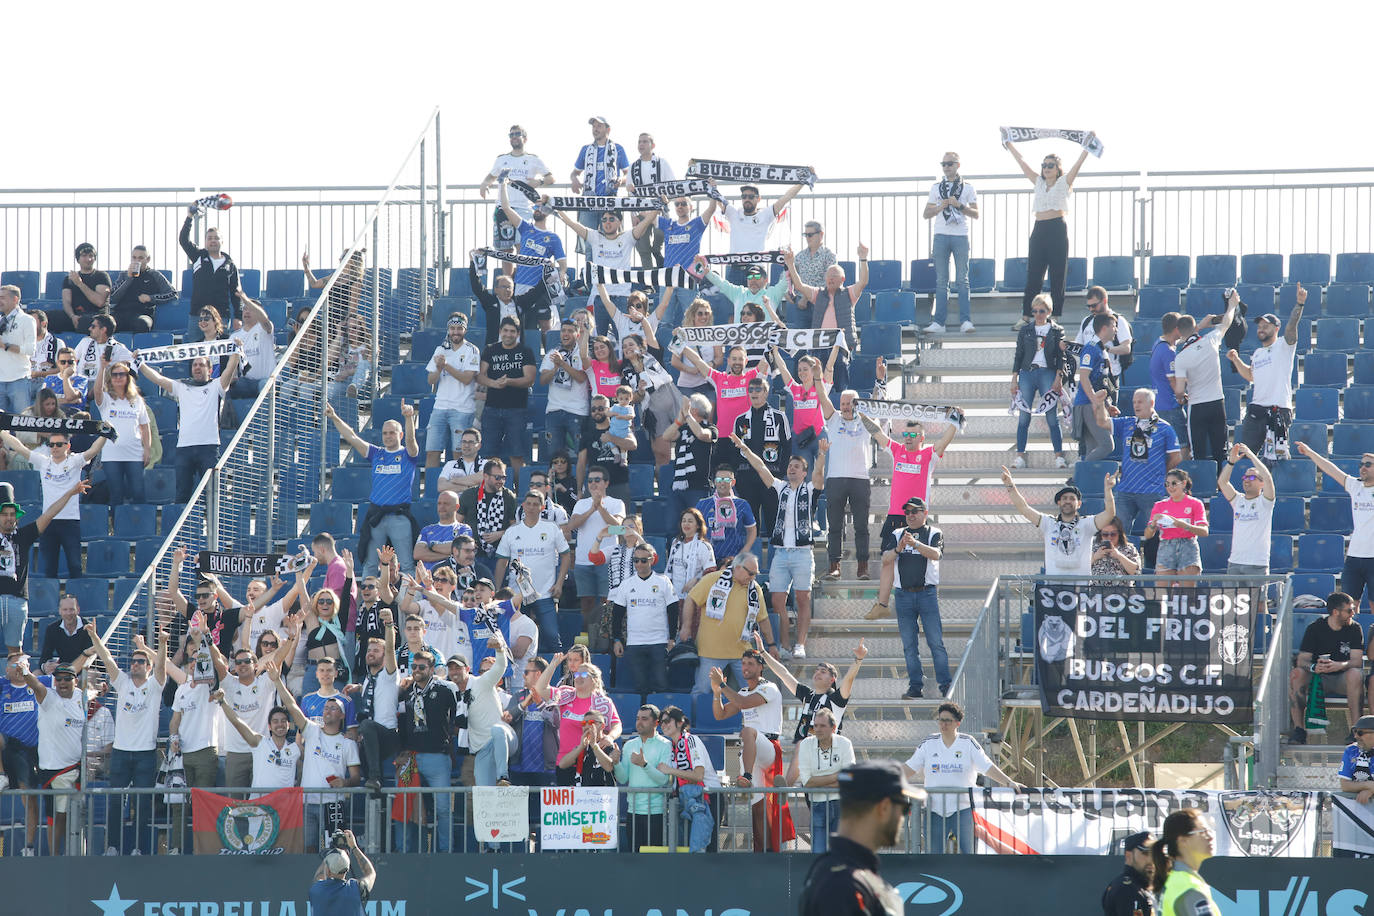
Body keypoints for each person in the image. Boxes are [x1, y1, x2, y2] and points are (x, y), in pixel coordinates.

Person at [861, 415, 958, 618]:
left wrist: (956, 421)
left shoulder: (927, 455)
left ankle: (925, 610)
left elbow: (944, 441)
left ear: (922, 438)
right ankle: (883, 604)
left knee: (922, 562)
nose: (908, 438)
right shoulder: (897, 450)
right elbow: (877, 434)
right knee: (887, 560)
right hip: (895, 515)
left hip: (918, 517)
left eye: (913, 434)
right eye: (905, 434)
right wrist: (864, 415)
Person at [798, 762, 923, 916]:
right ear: (884, 807)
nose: (903, 817)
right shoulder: (843, 885)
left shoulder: (847, 875)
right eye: (904, 808)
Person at [91, 622, 175, 851]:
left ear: (148, 666)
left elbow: (162, 668)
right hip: (120, 752)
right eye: (133, 661)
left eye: (140, 661)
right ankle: (113, 847)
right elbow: (107, 658)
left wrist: (163, 643)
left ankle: (138, 847)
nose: (135, 664)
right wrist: (94, 636)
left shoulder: (156, 685)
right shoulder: (123, 682)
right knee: (116, 802)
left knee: (142, 803)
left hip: (145, 754)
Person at [735, 434, 818, 657]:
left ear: (804, 472)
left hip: (802, 553)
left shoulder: (809, 490)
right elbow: (761, 466)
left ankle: (800, 644)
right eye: (790, 465)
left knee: (803, 598)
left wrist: (824, 453)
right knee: (776, 600)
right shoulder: (780, 487)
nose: (791, 468)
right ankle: (784, 643)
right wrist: (745, 449)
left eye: (797, 466)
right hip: (780, 553)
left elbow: (819, 478)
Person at [902, 701, 1019, 853]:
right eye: (940, 720)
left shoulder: (968, 742)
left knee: (969, 854)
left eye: (947, 721)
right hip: (935, 810)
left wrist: (1009, 782)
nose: (943, 725)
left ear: (958, 723)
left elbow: (987, 767)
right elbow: (909, 767)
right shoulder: (929, 743)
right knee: (933, 856)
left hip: (963, 809)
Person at [1005, 137, 1094, 325]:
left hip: (1056, 229)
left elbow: (1078, 165)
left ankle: (1055, 315)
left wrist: (1086, 147)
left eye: (1051, 165)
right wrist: (1009, 144)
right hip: (1039, 229)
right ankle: (1026, 315)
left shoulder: (1064, 182)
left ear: (1058, 168)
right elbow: (1022, 163)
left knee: (1057, 274)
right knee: (1034, 275)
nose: (1047, 168)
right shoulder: (1038, 182)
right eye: (1044, 165)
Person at [710, 648, 791, 852]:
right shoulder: (743, 692)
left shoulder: (770, 688)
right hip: (752, 751)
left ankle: (744, 776)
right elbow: (720, 715)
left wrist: (723, 684)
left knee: (747, 731)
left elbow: (744, 704)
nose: (745, 667)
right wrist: (716, 692)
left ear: (761, 667)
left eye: (750, 664)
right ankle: (763, 852)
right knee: (759, 809)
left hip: (770, 747)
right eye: (743, 663)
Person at [326, 402, 420, 576]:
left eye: (392, 433)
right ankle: (369, 603)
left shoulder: (408, 454)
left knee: (406, 564)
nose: (388, 436)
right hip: (377, 517)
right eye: (385, 433)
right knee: (370, 564)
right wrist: (334, 417)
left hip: (399, 517)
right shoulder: (377, 453)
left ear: (400, 434)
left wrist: (408, 418)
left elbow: (411, 441)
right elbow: (352, 437)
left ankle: (408, 602)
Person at [0, 428, 106, 579]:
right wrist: (2, 432)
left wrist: (105, 434)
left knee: (75, 566)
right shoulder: (44, 462)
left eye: (58, 444)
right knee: (49, 569)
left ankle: (74, 600)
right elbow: (19, 447)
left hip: (70, 521)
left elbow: (94, 450)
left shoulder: (75, 461)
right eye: (51, 444)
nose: (54, 448)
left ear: (67, 446)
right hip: (48, 523)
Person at [137, 351, 241, 503]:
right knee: (182, 493)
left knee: (213, 494)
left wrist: (236, 353)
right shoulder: (182, 386)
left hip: (208, 447)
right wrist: (141, 364)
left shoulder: (216, 385)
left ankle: (212, 526)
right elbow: (158, 379)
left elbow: (229, 371)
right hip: (184, 448)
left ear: (210, 370)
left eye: (202, 365)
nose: (197, 368)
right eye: (195, 365)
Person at [15, 656, 84, 854]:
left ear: (75, 681)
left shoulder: (80, 696)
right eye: (59, 679)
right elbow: (37, 686)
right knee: (57, 816)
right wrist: (26, 673)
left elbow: (91, 693)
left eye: (67, 679)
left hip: (76, 769)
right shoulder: (49, 698)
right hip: (54, 771)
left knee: (78, 816)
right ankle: (55, 858)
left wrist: (100, 690)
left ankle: (76, 856)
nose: (62, 683)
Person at [883, 498, 950, 699]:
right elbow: (885, 559)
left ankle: (946, 686)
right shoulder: (897, 534)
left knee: (935, 642)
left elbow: (937, 554)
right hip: (903, 595)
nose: (911, 515)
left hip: (927, 593)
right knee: (909, 645)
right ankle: (915, 686)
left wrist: (915, 543)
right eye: (908, 512)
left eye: (915, 511)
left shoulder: (934, 532)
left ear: (925, 513)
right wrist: (899, 548)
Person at [1228, 285, 1304, 460]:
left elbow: (1292, 327)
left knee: (1278, 458)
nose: (1261, 328)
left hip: (1278, 410)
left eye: (1266, 326)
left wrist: (1299, 305)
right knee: (1246, 457)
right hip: (1256, 410)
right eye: (1260, 326)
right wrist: (1236, 360)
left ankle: (1273, 487)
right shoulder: (1257, 353)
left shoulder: (1284, 345)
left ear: (1276, 329)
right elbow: (1251, 376)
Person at [682, 554, 776, 695]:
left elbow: (763, 618)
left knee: (755, 691)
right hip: (710, 651)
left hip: (742, 653)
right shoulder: (713, 579)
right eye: (750, 573)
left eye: (755, 574)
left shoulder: (754, 588)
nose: (752, 578)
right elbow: (691, 599)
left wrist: (772, 644)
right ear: (737, 567)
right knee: (701, 691)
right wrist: (686, 626)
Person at [493, 489, 573, 654]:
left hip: (544, 593)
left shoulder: (551, 529)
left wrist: (559, 584)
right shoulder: (512, 531)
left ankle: (560, 674)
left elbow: (566, 556)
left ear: (542, 507)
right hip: (517, 594)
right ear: (523, 505)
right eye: (528, 504)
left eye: (535, 504)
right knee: (512, 637)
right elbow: (502, 562)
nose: (531, 507)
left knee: (552, 637)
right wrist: (496, 589)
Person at [1171, 289, 1242, 470]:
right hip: (1217, 403)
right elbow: (1227, 321)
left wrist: (1181, 396)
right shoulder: (1211, 340)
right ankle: (1221, 487)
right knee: (1220, 451)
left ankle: (1201, 489)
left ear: (1178, 331)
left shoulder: (1181, 357)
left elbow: (1179, 390)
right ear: (1195, 326)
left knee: (1199, 453)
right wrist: (1232, 305)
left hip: (1197, 406)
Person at [784, 244, 870, 393]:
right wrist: (791, 264)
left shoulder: (849, 293)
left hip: (840, 346)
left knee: (840, 372)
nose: (830, 279)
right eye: (828, 276)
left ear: (842, 279)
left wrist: (863, 258)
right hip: (819, 345)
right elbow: (799, 286)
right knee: (817, 381)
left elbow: (862, 282)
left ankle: (839, 402)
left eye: (834, 276)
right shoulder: (818, 294)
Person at [553, 206, 652, 334]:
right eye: (604, 220)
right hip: (599, 298)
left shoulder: (628, 237)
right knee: (598, 340)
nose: (607, 222)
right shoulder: (596, 237)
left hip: (621, 298)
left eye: (611, 219)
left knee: (623, 338)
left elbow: (646, 222)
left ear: (619, 222)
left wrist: (657, 208)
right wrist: (557, 208)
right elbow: (572, 223)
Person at [1300, 441, 1374, 610]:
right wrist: (1310, 452)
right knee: (1348, 607)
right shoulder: (1356, 487)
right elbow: (1330, 469)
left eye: (1368, 464)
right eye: (1361, 464)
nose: (1363, 467)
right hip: (1354, 557)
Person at [1105, 388, 1184, 544]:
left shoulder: (1164, 428)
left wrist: (1162, 473)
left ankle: (1153, 566)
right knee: (1118, 534)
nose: (1136, 405)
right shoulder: (1127, 422)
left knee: (1155, 535)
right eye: (1134, 402)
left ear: (1152, 403)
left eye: (1140, 402)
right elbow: (1102, 422)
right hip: (1126, 490)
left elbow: (1177, 456)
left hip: (1152, 491)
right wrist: (1100, 404)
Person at [531, 652, 623, 785]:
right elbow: (539, 689)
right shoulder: (565, 694)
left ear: (595, 680)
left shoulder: (603, 702)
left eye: (584, 675)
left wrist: (610, 737)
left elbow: (616, 724)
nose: (578, 678)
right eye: (577, 674)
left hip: (588, 763)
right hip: (564, 761)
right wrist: (553, 665)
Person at [1004, 472, 1118, 576]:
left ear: (1079, 504)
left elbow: (1109, 514)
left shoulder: (1086, 524)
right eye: (1064, 498)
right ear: (1059, 503)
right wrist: (1010, 486)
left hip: (1080, 588)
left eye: (1072, 499)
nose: (1068, 501)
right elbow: (1024, 508)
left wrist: (1108, 490)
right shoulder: (1048, 523)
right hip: (1053, 588)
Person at [1289, 592, 1364, 746]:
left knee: (1355, 674)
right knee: (1296, 674)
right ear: (1336, 612)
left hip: (1342, 678)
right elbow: (1302, 660)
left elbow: (1356, 661)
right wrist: (1313, 667)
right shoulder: (1315, 628)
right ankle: (1299, 730)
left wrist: (1339, 665)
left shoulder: (1355, 628)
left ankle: (1356, 730)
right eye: (1349, 610)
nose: (1353, 613)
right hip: (1318, 677)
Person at [215, 660, 300, 789]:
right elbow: (237, 723)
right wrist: (222, 702)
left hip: (283, 807)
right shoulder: (261, 743)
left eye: (283, 721)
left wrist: (277, 680)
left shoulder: (295, 749)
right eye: (275, 722)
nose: (280, 725)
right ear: (269, 726)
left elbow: (292, 706)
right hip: (260, 805)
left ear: (289, 724)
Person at [609, 544, 679, 697]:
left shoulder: (663, 581)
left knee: (661, 685)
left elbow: (673, 611)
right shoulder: (626, 584)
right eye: (636, 560)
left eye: (643, 560)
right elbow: (617, 615)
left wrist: (672, 638)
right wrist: (617, 639)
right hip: (634, 642)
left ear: (652, 560)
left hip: (659, 642)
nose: (639, 564)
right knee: (640, 687)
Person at [923, 152, 979, 334]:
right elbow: (926, 213)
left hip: (960, 236)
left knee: (962, 280)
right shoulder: (936, 187)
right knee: (941, 281)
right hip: (940, 235)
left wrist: (959, 205)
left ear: (957, 165)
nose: (946, 167)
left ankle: (966, 321)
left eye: (950, 163)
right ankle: (939, 322)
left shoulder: (968, 187)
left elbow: (975, 214)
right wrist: (942, 205)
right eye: (943, 164)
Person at [343, 608, 399, 790]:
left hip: (389, 734)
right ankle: (376, 800)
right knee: (361, 749)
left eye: (376, 650)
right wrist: (358, 687)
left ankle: (375, 777)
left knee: (365, 725)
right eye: (369, 650)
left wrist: (389, 625)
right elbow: (373, 690)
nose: (371, 653)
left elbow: (390, 649)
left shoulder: (390, 674)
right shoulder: (368, 678)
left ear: (384, 656)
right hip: (371, 738)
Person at [1010, 294, 1068, 468]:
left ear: (1049, 311)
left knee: (1052, 417)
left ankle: (1059, 456)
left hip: (1048, 373)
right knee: (1023, 417)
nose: (1037, 314)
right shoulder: (1025, 330)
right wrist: (1014, 379)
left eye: (1041, 311)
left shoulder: (1057, 330)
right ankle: (1020, 456)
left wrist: (1059, 376)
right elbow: (1018, 355)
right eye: (1034, 311)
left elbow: (1061, 357)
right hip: (1028, 372)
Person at [477, 317, 538, 473]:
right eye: (505, 330)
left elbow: (530, 379)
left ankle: (519, 493)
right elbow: (480, 375)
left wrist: (508, 381)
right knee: (487, 454)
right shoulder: (490, 349)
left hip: (516, 410)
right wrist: (494, 384)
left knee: (516, 454)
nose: (508, 334)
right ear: (500, 331)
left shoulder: (525, 351)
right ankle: (487, 492)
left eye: (512, 331)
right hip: (491, 409)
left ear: (518, 333)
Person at [677, 344, 769, 444]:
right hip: (723, 437)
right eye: (734, 359)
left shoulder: (751, 377)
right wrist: (681, 344)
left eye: (740, 359)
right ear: (728, 361)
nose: (737, 362)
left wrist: (775, 341)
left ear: (746, 361)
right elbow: (698, 362)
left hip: (745, 437)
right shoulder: (719, 378)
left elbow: (765, 360)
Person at [91, 356, 152, 504]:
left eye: (122, 374)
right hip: (112, 455)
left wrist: (148, 450)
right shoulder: (105, 399)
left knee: (138, 493)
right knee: (116, 495)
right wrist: (103, 367)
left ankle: (138, 525)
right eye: (115, 374)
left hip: (134, 454)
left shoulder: (137, 399)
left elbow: (145, 426)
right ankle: (117, 526)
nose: (118, 377)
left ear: (127, 377)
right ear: (110, 378)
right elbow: (97, 391)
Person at [719, 180, 806, 283]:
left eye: (751, 197)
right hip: (734, 270)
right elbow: (717, 198)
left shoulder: (765, 215)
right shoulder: (734, 213)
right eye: (744, 196)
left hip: (756, 270)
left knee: (757, 299)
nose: (747, 199)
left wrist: (803, 182)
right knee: (734, 300)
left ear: (758, 199)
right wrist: (710, 185)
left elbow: (786, 197)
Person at [613, 703, 674, 850]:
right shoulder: (629, 745)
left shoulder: (666, 745)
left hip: (656, 812)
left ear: (656, 723)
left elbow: (663, 779)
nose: (639, 722)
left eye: (644, 719)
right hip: (632, 811)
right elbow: (622, 778)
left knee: (654, 859)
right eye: (638, 718)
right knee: (635, 858)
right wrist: (616, 763)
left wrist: (644, 765)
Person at [481, 125, 553, 247]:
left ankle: (522, 268)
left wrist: (539, 182)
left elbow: (550, 178)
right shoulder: (502, 159)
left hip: (524, 208)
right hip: (503, 208)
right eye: (511, 135)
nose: (514, 137)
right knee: (505, 250)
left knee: (523, 246)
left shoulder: (533, 159)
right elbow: (491, 176)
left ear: (524, 138)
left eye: (517, 134)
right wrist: (484, 184)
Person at [424, 315, 481, 468]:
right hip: (440, 407)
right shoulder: (440, 349)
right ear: (448, 330)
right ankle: (432, 490)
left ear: (465, 330)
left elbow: (467, 379)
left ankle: (459, 489)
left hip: (462, 409)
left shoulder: (472, 350)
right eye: (452, 328)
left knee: (459, 454)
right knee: (432, 452)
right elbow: (431, 380)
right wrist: (438, 368)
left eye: (459, 328)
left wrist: (446, 365)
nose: (456, 332)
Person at [797, 707, 856, 855]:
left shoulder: (845, 743)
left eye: (822, 725)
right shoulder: (805, 744)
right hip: (817, 805)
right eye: (815, 725)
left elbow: (849, 778)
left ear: (833, 728)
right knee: (819, 855)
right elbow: (807, 781)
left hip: (842, 805)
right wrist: (836, 776)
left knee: (841, 856)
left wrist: (819, 782)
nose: (817, 729)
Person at [496, 175, 566, 295]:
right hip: (521, 284)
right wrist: (503, 185)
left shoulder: (553, 238)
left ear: (548, 211)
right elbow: (506, 208)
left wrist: (562, 273)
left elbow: (562, 263)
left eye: (541, 207)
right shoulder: (525, 227)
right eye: (536, 208)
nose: (537, 210)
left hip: (540, 286)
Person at [656, 197, 720, 324]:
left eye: (684, 204)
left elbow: (712, 208)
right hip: (668, 279)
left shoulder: (696, 224)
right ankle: (665, 344)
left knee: (693, 320)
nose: (680, 206)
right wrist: (658, 202)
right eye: (677, 204)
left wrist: (712, 189)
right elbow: (647, 215)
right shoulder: (669, 224)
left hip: (688, 279)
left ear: (691, 207)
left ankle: (693, 344)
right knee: (664, 321)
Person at [468, 253, 551, 349]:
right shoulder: (490, 302)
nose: (507, 290)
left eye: (509, 287)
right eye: (504, 287)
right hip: (495, 350)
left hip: (517, 351)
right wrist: (472, 262)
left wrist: (549, 271)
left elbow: (537, 291)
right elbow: (476, 286)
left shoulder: (520, 302)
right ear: (496, 289)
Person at [1142, 469, 1208, 583]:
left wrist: (1182, 525)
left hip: (1188, 545)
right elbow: (1148, 535)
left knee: (1187, 593)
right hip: (1166, 546)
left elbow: (1204, 531)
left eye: (1174, 483)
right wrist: (1153, 524)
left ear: (1183, 483)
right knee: (1162, 592)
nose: (1170, 487)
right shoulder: (1159, 505)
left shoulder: (1195, 504)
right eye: (1167, 484)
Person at [1218, 444, 1275, 576]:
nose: (1246, 481)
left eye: (1252, 477)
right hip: (1235, 563)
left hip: (1256, 564)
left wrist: (1250, 455)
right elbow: (1222, 483)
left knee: (1256, 598)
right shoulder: (1238, 500)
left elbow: (1267, 478)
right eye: (1245, 477)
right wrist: (1231, 462)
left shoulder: (1265, 501)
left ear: (1261, 484)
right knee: (1232, 598)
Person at [1150, 808, 1220, 916]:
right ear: (1182, 840)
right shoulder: (1189, 887)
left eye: (1209, 830)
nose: (1210, 836)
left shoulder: (1176, 880)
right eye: (1202, 832)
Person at [179, 210, 243, 326]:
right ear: (205, 242)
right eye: (209, 238)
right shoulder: (198, 256)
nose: (213, 240)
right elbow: (183, 239)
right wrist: (189, 216)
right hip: (197, 316)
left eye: (216, 238)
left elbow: (236, 293)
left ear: (222, 241)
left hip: (221, 316)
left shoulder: (230, 265)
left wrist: (238, 316)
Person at [661, 394, 718, 523]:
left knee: (699, 525)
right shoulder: (683, 429)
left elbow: (701, 434)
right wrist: (679, 420)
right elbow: (666, 436)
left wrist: (687, 415)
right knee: (674, 526)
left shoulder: (710, 428)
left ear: (694, 410)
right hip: (678, 486)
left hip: (699, 487)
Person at [539, 319, 590, 460]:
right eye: (563, 331)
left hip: (577, 411)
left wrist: (562, 363)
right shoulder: (552, 354)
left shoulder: (582, 354)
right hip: (554, 410)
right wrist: (555, 368)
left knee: (581, 455)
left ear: (577, 334)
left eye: (570, 331)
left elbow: (581, 378)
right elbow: (542, 380)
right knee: (555, 457)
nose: (565, 334)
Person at [1073, 312, 1120, 462]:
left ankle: (1083, 481)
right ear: (1105, 328)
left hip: (1095, 404)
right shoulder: (1091, 348)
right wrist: (1095, 401)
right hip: (1088, 404)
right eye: (1114, 326)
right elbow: (1084, 377)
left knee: (1092, 449)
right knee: (1107, 445)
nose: (1116, 330)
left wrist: (1107, 405)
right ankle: (1079, 475)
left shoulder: (1102, 350)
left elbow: (1102, 382)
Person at [576, 394, 637, 503]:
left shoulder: (620, 428)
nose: (597, 412)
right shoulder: (587, 435)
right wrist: (579, 490)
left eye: (600, 409)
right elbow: (581, 464)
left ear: (609, 410)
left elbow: (632, 445)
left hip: (619, 485)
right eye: (593, 409)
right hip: (594, 487)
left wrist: (611, 438)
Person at [695, 465, 758, 567]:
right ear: (715, 482)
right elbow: (694, 529)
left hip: (734, 558)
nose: (722, 482)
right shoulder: (703, 504)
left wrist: (745, 550)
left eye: (726, 479)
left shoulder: (742, 504)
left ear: (733, 482)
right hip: (707, 558)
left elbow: (752, 529)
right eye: (719, 479)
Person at [109, 245, 177, 333]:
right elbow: (113, 297)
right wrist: (128, 279)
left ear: (147, 259)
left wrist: (151, 298)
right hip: (120, 313)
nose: (137, 261)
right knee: (105, 324)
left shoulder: (155, 275)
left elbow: (173, 294)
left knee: (142, 324)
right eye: (134, 258)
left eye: (140, 258)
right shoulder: (124, 275)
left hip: (142, 314)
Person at [309, 829, 376, 916]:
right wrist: (354, 847)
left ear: (328, 870)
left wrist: (330, 855)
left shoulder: (317, 890)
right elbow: (371, 873)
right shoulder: (355, 888)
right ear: (347, 869)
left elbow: (318, 876)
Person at [1074, 287, 1135, 382]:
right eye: (1088, 306)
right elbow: (1079, 346)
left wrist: (1105, 349)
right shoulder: (1086, 321)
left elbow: (1126, 348)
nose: (1091, 309)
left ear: (1104, 301)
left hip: (1110, 375)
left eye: (1094, 306)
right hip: (1089, 373)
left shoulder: (1119, 320)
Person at [53, 242, 112, 334]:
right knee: (45, 317)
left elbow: (99, 302)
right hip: (74, 316)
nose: (88, 259)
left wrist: (79, 284)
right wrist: (72, 316)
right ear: (78, 259)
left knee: (85, 321)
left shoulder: (101, 276)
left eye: (91, 256)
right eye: (84, 256)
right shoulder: (69, 278)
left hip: (95, 317)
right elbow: (66, 302)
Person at [1151, 312, 1189, 458]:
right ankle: (1182, 478)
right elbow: (1174, 382)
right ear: (1176, 329)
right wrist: (1182, 397)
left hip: (1160, 404)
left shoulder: (1158, 344)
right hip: (1171, 406)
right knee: (1182, 446)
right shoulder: (1168, 352)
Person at [1102, 832, 1158, 916]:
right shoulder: (1127, 889)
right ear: (1128, 855)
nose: (1151, 859)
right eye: (1145, 853)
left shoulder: (1141, 886)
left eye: (1154, 853)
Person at [0, 285, 36, 413]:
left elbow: (30, 349)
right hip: (0, 379)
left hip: (19, 379)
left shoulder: (27, 320)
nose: (0, 301)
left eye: (3, 297)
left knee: (22, 423)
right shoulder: (0, 320)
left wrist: (6, 346)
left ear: (15, 299)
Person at [72, 314, 133, 381]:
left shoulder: (117, 347)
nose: (89, 329)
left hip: (103, 386)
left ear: (103, 329)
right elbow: (73, 359)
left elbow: (133, 363)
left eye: (93, 326)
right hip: (81, 384)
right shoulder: (85, 341)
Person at [38, 594, 92, 669]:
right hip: (62, 671)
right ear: (60, 611)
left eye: (72, 609)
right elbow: (44, 657)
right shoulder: (52, 629)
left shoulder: (88, 628)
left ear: (78, 610)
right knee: (37, 673)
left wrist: (66, 669)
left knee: (90, 676)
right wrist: (46, 667)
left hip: (85, 669)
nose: (68, 613)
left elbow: (89, 658)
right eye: (65, 610)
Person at [1091, 517, 1142, 584]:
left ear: (1119, 534)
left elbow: (1136, 572)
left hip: (1122, 591)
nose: (1109, 537)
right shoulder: (1093, 548)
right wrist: (1095, 557)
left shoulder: (1129, 548)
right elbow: (1081, 569)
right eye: (1105, 534)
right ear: (1100, 534)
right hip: (1097, 591)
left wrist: (1119, 556)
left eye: (1113, 534)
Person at [1337, 715, 1374, 807]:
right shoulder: (1351, 751)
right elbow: (1345, 785)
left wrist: (1370, 791)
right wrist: (1368, 785)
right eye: (1355, 731)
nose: (1356, 736)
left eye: (1360, 733)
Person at [437, 427, 485, 496]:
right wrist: (470, 486)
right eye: (464, 441)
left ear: (479, 446)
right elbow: (441, 486)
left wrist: (454, 480)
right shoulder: (450, 464)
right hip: (454, 505)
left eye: (471, 442)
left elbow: (482, 478)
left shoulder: (486, 464)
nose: (466, 445)